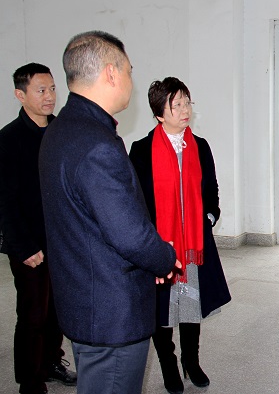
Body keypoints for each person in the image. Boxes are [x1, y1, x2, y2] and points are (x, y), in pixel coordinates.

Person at [38, 31, 178, 394]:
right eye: (129, 71)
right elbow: (129, 234)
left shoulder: (61, 129)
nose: (131, 80)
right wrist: (164, 258)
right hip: (111, 311)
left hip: (84, 297)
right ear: (111, 73)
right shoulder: (96, 143)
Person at [129, 77, 231, 394]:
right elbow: (135, 201)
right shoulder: (141, 150)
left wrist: (210, 215)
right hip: (160, 247)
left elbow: (211, 188)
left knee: (190, 305)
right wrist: (149, 241)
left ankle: (191, 361)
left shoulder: (199, 145)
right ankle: (169, 365)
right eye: (177, 104)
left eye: (187, 102)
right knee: (161, 310)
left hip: (193, 245)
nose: (185, 109)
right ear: (159, 113)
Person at [0, 63, 77, 394]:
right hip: (29, 244)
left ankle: (50, 362)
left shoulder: (63, 131)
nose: (49, 97)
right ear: (21, 95)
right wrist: (23, 247)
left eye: (53, 89)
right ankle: (30, 381)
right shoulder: (8, 139)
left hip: (62, 241)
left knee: (58, 311)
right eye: (41, 90)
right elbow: (4, 202)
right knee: (33, 314)